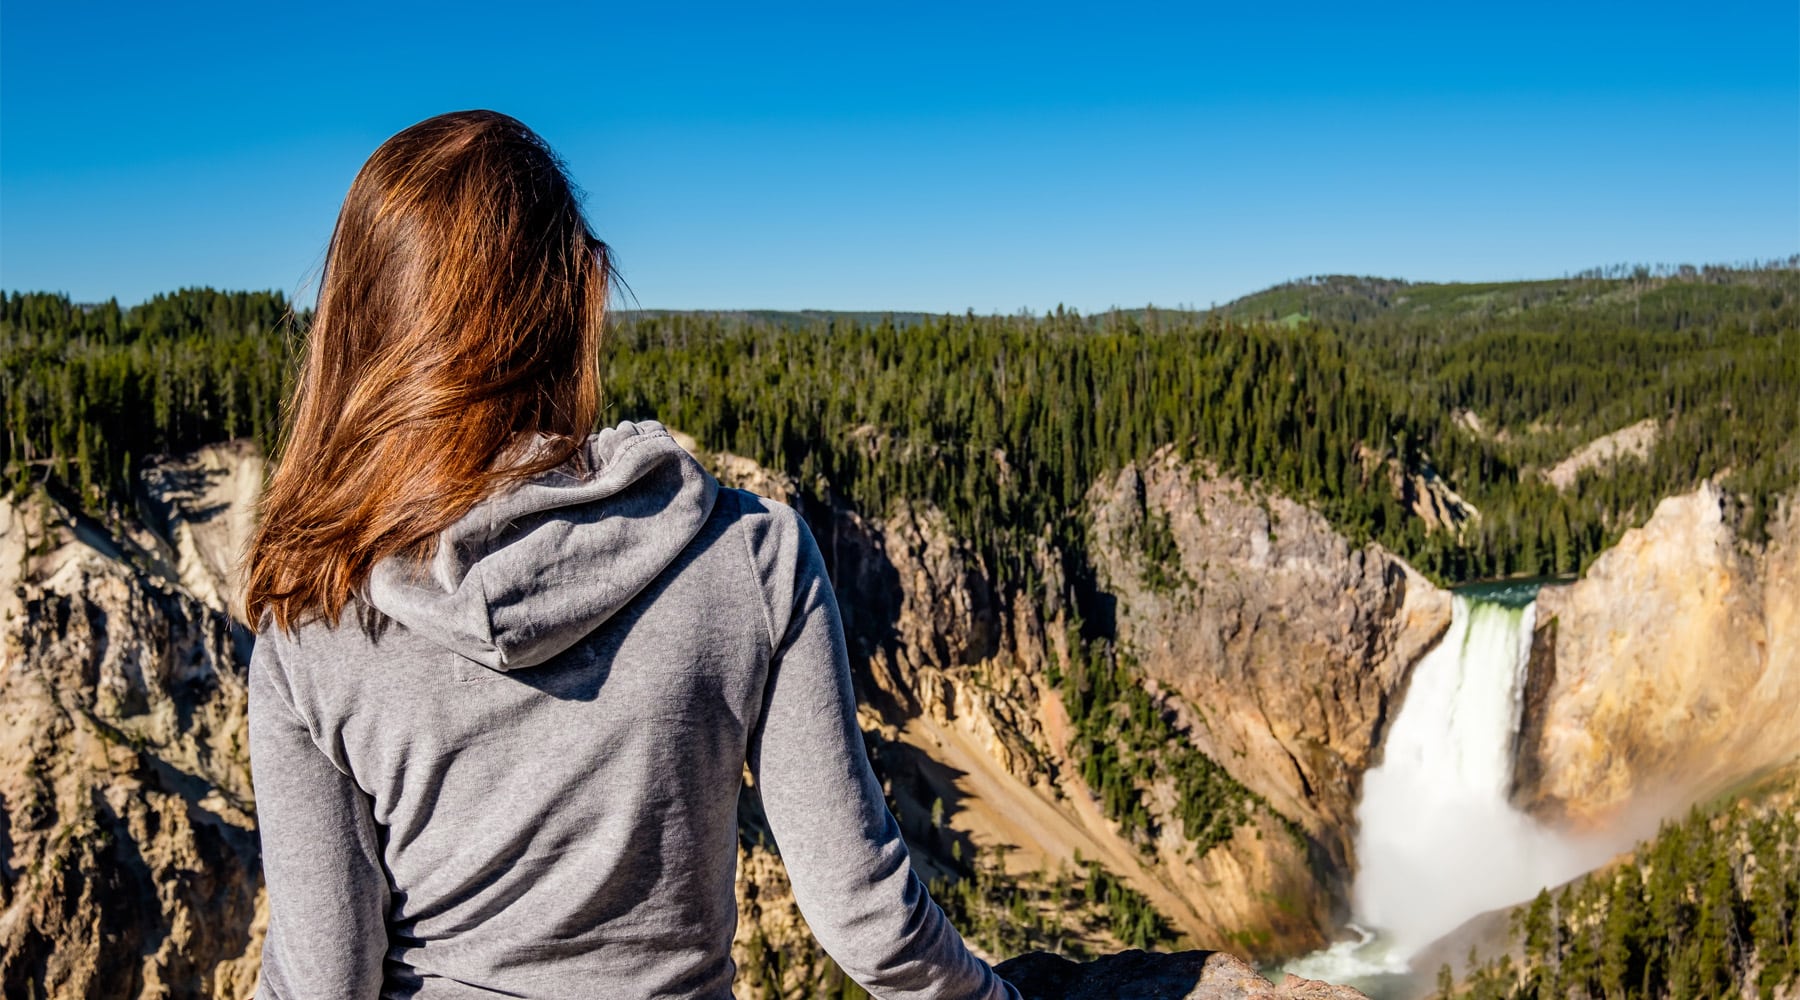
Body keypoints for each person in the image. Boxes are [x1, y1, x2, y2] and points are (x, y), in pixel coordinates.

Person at [242, 110, 1021, 1000]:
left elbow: (320, 981)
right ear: (582, 296)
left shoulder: (314, 622)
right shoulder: (751, 556)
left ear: (360, 324)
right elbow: (868, 918)